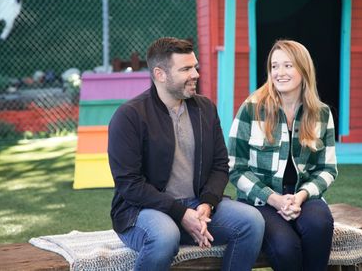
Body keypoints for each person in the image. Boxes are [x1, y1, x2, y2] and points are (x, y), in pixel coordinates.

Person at [108, 37, 265, 271]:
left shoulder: (205, 108)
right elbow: (129, 184)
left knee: (252, 222)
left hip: (197, 204)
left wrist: (207, 204)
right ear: (160, 74)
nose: (196, 74)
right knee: (164, 236)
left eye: (195, 66)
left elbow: (220, 164)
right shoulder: (129, 116)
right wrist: (181, 213)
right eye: (186, 69)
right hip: (143, 211)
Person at [228, 39, 338, 271]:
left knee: (320, 225)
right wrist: (274, 199)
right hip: (261, 201)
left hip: (303, 197)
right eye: (274, 66)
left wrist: (301, 196)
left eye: (288, 65)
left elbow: (327, 169)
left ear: (303, 69)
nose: (280, 72)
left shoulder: (321, 113)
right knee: (286, 248)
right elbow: (235, 167)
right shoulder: (252, 108)